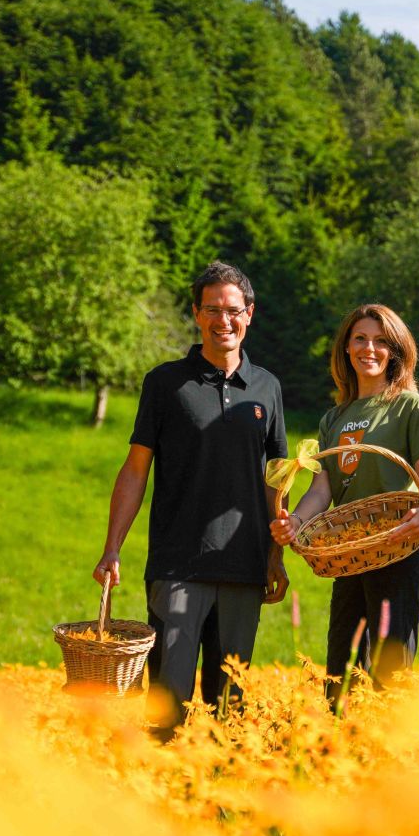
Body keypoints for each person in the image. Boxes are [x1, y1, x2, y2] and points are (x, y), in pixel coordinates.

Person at [94, 261, 289, 736]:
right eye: (213, 310)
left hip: (244, 569)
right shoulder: (164, 383)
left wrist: (276, 557)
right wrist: (112, 547)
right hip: (177, 568)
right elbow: (136, 469)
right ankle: (157, 801)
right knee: (166, 704)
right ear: (197, 315)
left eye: (234, 310)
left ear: (250, 314)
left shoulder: (268, 388)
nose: (225, 321)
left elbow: (276, 480)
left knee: (230, 708)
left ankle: (221, 806)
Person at [270, 304, 419, 702]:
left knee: (389, 677)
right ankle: (343, 756)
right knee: (340, 676)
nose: (370, 348)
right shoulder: (335, 417)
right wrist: (295, 521)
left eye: (381, 341)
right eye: (360, 339)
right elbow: (321, 488)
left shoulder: (409, 406)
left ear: (395, 351)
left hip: (399, 550)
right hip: (350, 554)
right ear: (347, 349)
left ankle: (387, 757)